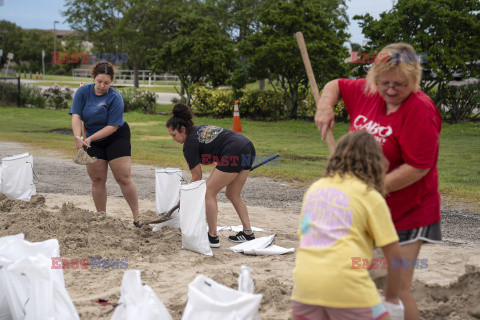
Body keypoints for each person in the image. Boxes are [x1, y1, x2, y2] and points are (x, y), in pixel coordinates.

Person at [315, 43, 442, 320]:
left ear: (415, 80)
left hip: (410, 210)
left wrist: (368, 190)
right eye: (385, 83)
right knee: (362, 276)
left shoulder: (421, 109)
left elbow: (418, 167)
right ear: (375, 77)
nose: (392, 90)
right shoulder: (367, 89)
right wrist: (325, 105)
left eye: (401, 84)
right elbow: (335, 84)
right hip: (367, 211)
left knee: (395, 285)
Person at [292, 131, 403, 320]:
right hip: (348, 288)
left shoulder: (315, 188)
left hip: (304, 288)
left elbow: (304, 234)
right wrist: (392, 297)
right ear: (376, 162)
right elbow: (395, 257)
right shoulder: (370, 195)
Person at [166, 103, 256, 247]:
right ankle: (248, 233)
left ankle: (212, 237)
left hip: (234, 150)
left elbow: (197, 177)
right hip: (247, 146)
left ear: (182, 129)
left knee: (208, 192)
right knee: (233, 194)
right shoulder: (197, 129)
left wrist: (184, 196)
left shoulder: (189, 144)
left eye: (174, 135)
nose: (173, 139)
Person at [69, 61, 141, 227]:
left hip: (116, 136)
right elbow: (76, 116)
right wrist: (78, 137)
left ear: (111, 82)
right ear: (94, 78)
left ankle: (138, 218)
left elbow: (112, 126)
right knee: (97, 179)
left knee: (123, 177)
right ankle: (102, 217)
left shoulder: (115, 97)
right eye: (99, 81)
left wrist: (90, 139)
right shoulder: (82, 92)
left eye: (106, 83)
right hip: (91, 139)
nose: (102, 86)